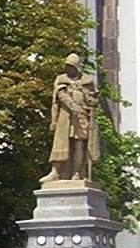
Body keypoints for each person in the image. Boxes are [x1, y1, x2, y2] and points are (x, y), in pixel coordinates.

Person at [41, 53, 100, 184]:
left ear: (76, 67)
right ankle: (55, 172)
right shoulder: (61, 79)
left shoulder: (87, 81)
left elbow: (94, 100)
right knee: (60, 144)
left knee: (79, 145)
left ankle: (77, 172)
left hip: (81, 118)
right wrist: (54, 120)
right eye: (67, 66)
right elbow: (60, 97)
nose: (68, 69)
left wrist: (90, 99)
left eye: (71, 66)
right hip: (65, 117)